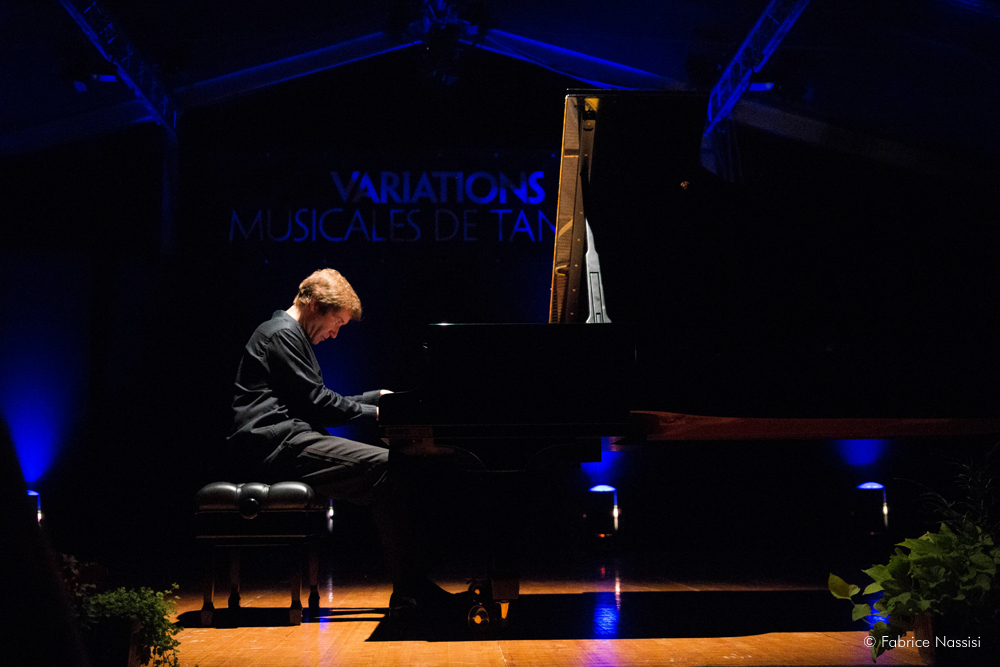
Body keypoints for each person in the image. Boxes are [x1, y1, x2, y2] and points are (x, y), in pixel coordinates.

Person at [228, 268, 451, 615]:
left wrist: (375, 398)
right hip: (275, 445)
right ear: (316, 305)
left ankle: (413, 585)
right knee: (390, 468)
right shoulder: (281, 334)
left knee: (399, 466)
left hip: (287, 439)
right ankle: (411, 592)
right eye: (337, 323)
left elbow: (313, 399)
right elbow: (319, 404)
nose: (334, 334)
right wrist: (378, 413)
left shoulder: (286, 334)